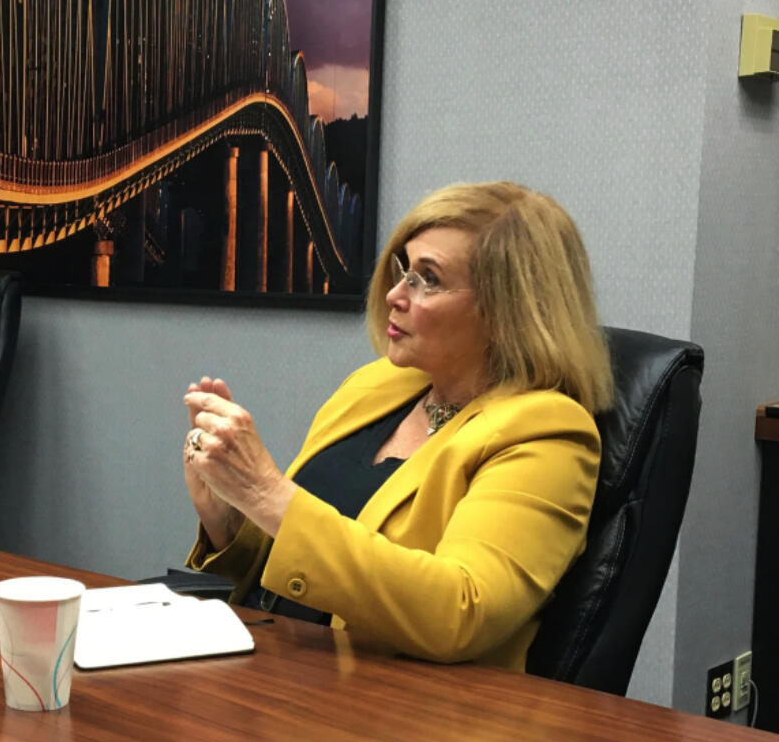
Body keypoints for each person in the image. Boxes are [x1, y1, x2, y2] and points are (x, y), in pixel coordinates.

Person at [182, 181, 614, 671]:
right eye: (403, 269)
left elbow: (461, 612)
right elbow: (295, 567)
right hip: (279, 671)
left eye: (427, 279)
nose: (393, 294)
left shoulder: (547, 433)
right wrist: (231, 517)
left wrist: (267, 494)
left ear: (507, 310)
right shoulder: (376, 387)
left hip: (402, 718)